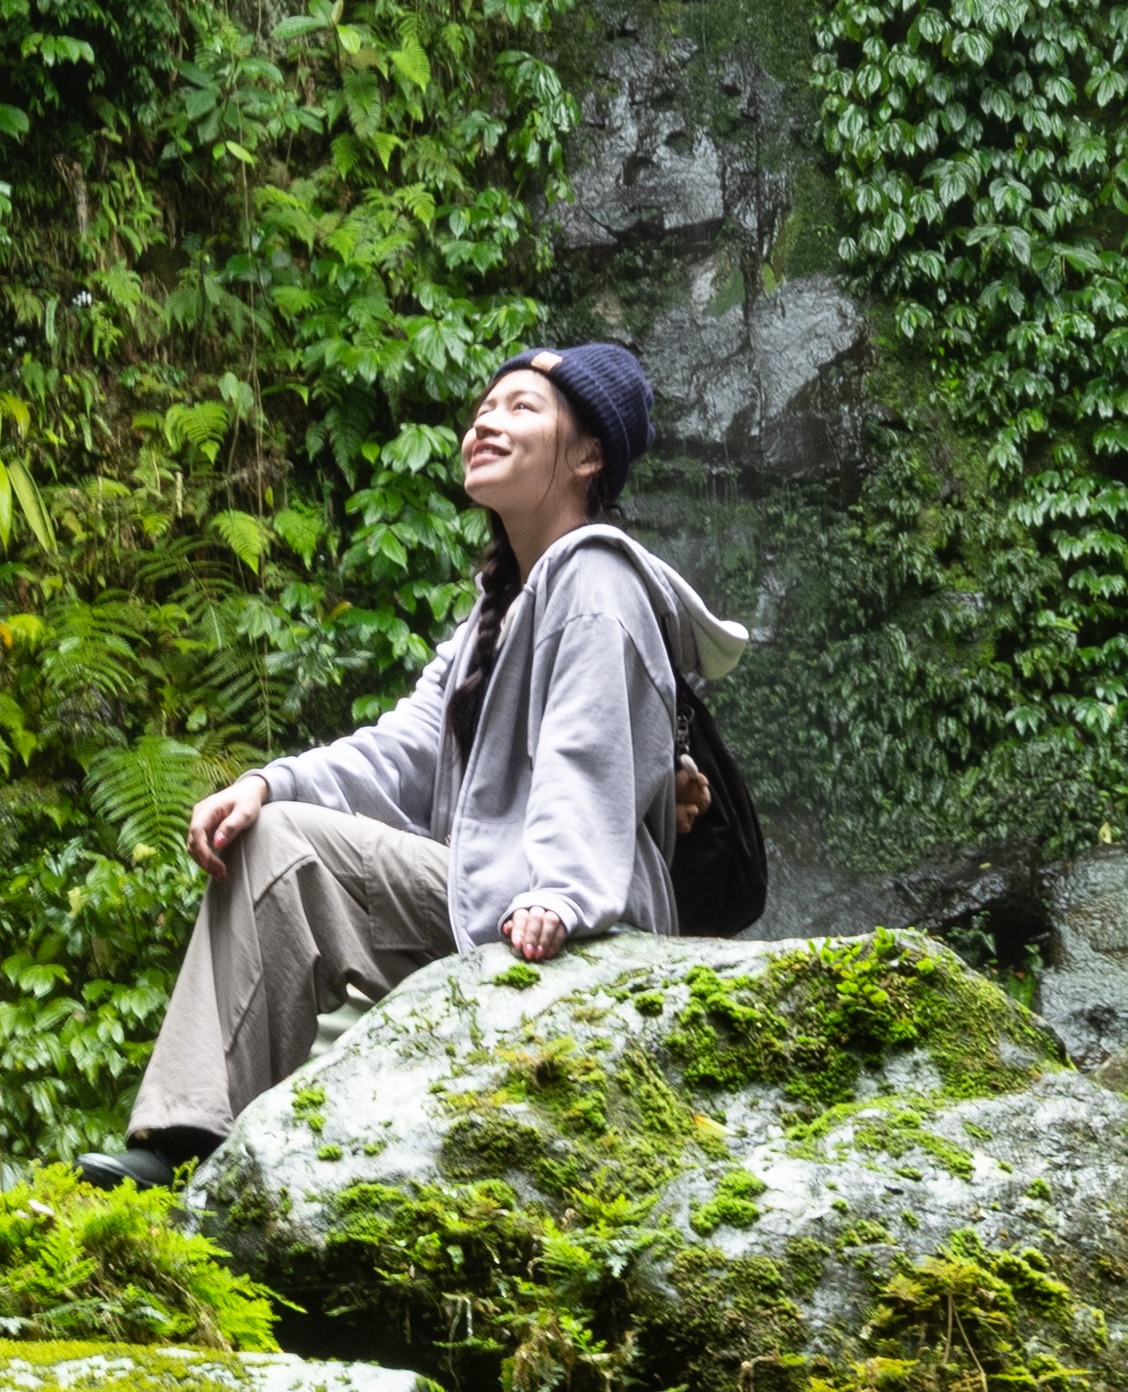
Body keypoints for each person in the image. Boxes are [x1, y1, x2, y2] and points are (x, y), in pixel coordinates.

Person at [78, 339, 751, 1189]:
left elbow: (588, 755)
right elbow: (402, 749)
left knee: (286, 852)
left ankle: (184, 1154)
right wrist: (266, 780)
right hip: (491, 894)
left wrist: (563, 894)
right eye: (482, 409)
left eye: (520, 409)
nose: (486, 423)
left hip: (566, 916)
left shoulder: (596, 578)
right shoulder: (494, 611)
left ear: (588, 456)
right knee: (271, 837)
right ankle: (189, 1145)